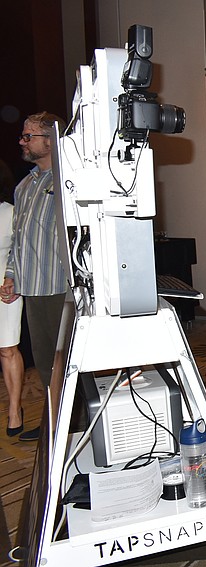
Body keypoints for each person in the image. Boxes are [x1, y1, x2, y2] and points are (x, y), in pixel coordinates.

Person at [1, 112, 69, 442]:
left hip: (60, 287)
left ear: (49, 139)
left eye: (29, 136)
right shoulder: (24, 186)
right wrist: (12, 276)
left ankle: (68, 427)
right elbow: (17, 237)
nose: (22, 141)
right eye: (23, 136)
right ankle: (55, 426)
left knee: (64, 363)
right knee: (45, 364)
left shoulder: (69, 180)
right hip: (32, 288)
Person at [0, 160, 25, 437]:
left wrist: (12, 280)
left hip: (7, 288)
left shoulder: (11, 212)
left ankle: (15, 409)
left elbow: (20, 251)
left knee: (7, 349)